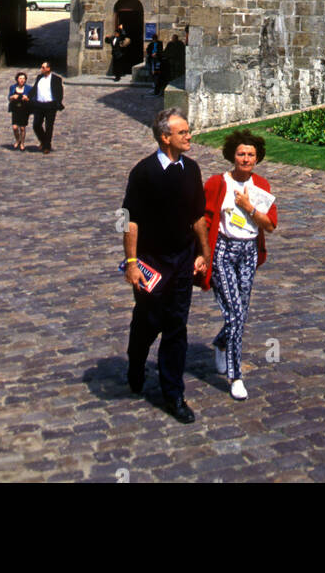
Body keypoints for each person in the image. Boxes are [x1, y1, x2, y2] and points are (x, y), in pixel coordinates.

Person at [121, 110, 209, 422]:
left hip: (183, 261)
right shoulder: (143, 173)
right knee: (148, 321)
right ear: (165, 137)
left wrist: (204, 253)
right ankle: (136, 361)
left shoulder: (192, 170)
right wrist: (132, 263)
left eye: (188, 131)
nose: (189, 136)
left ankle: (174, 395)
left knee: (176, 327)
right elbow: (128, 220)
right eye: (183, 132)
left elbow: (199, 216)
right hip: (151, 262)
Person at [202, 131, 277, 400]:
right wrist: (202, 255)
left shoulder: (261, 186)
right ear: (232, 155)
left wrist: (249, 207)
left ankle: (222, 344)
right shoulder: (217, 183)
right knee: (235, 312)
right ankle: (235, 376)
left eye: (251, 155)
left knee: (240, 313)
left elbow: (270, 225)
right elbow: (204, 220)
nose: (246, 159)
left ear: (257, 158)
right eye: (241, 154)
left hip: (248, 252)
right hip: (223, 250)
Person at [31, 60, 64, 154]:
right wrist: (28, 97)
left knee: (49, 126)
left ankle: (47, 146)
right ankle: (43, 141)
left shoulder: (56, 79)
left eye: (43, 67)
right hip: (39, 105)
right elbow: (34, 89)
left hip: (50, 105)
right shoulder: (39, 77)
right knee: (36, 125)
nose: (41, 69)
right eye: (41, 67)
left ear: (48, 69)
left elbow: (59, 92)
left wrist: (58, 102)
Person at [7, 71, 31, 150]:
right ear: (17, 79)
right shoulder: (13, 87)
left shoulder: (28, 88)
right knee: (14, 127)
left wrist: (27, 98)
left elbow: (32, 99)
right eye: (20, 78)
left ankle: (22, 143)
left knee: (22, 128)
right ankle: (18, 140)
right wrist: (13, 97)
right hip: (15, 109)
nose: (22, 80)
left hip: (24, 109)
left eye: (23, 78)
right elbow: (9, 98)